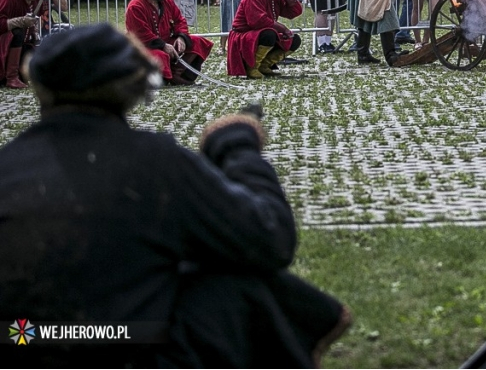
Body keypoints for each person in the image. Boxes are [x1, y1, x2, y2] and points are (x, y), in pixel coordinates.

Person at [0, 24, 351, 367]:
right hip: (125, 349)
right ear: (134, 84)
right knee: (232, 278)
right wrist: (237, 149)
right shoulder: (153, 161)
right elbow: (267, 235)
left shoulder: (7, 164)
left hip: (23, 340)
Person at [125, 0, 213, 86]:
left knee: (198, 42)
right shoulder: (135, 7)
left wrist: (181, 37)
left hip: (166, 42)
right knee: (160, 56)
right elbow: (141, 34)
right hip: (145, 47)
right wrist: (163, 45)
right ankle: (167, 77)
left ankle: (177, 73)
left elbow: (179, 20)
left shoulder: (167, 1)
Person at [227, 0, 303, 79]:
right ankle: (251, 67)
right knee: (269, 34)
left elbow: (294, 11)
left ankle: (264, 65)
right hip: (244, 36)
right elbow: (258, 21)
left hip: (258, 33)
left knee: (294, 40)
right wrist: (283, 29)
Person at [0, 0, 44, 89]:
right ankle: (11, 77)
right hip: (3, 44)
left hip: (22, 44)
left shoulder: (36, 0)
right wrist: (20, 21)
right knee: (18, 33)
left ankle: (20, 75)